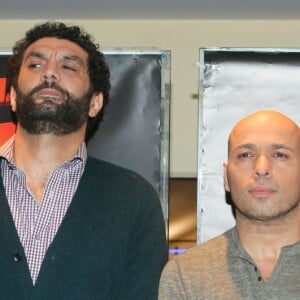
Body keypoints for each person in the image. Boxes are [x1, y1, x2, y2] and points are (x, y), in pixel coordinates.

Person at [0, 21, 167, 299]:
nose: (50, 73)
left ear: (95, 103)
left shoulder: (133, 199)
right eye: (35, 65)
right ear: (14, 97)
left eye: (68, 66)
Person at [159, 110, 300, 299]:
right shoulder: (185, 275)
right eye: (246, 155)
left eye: (280, 155)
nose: (262, 168)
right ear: (226, 177)